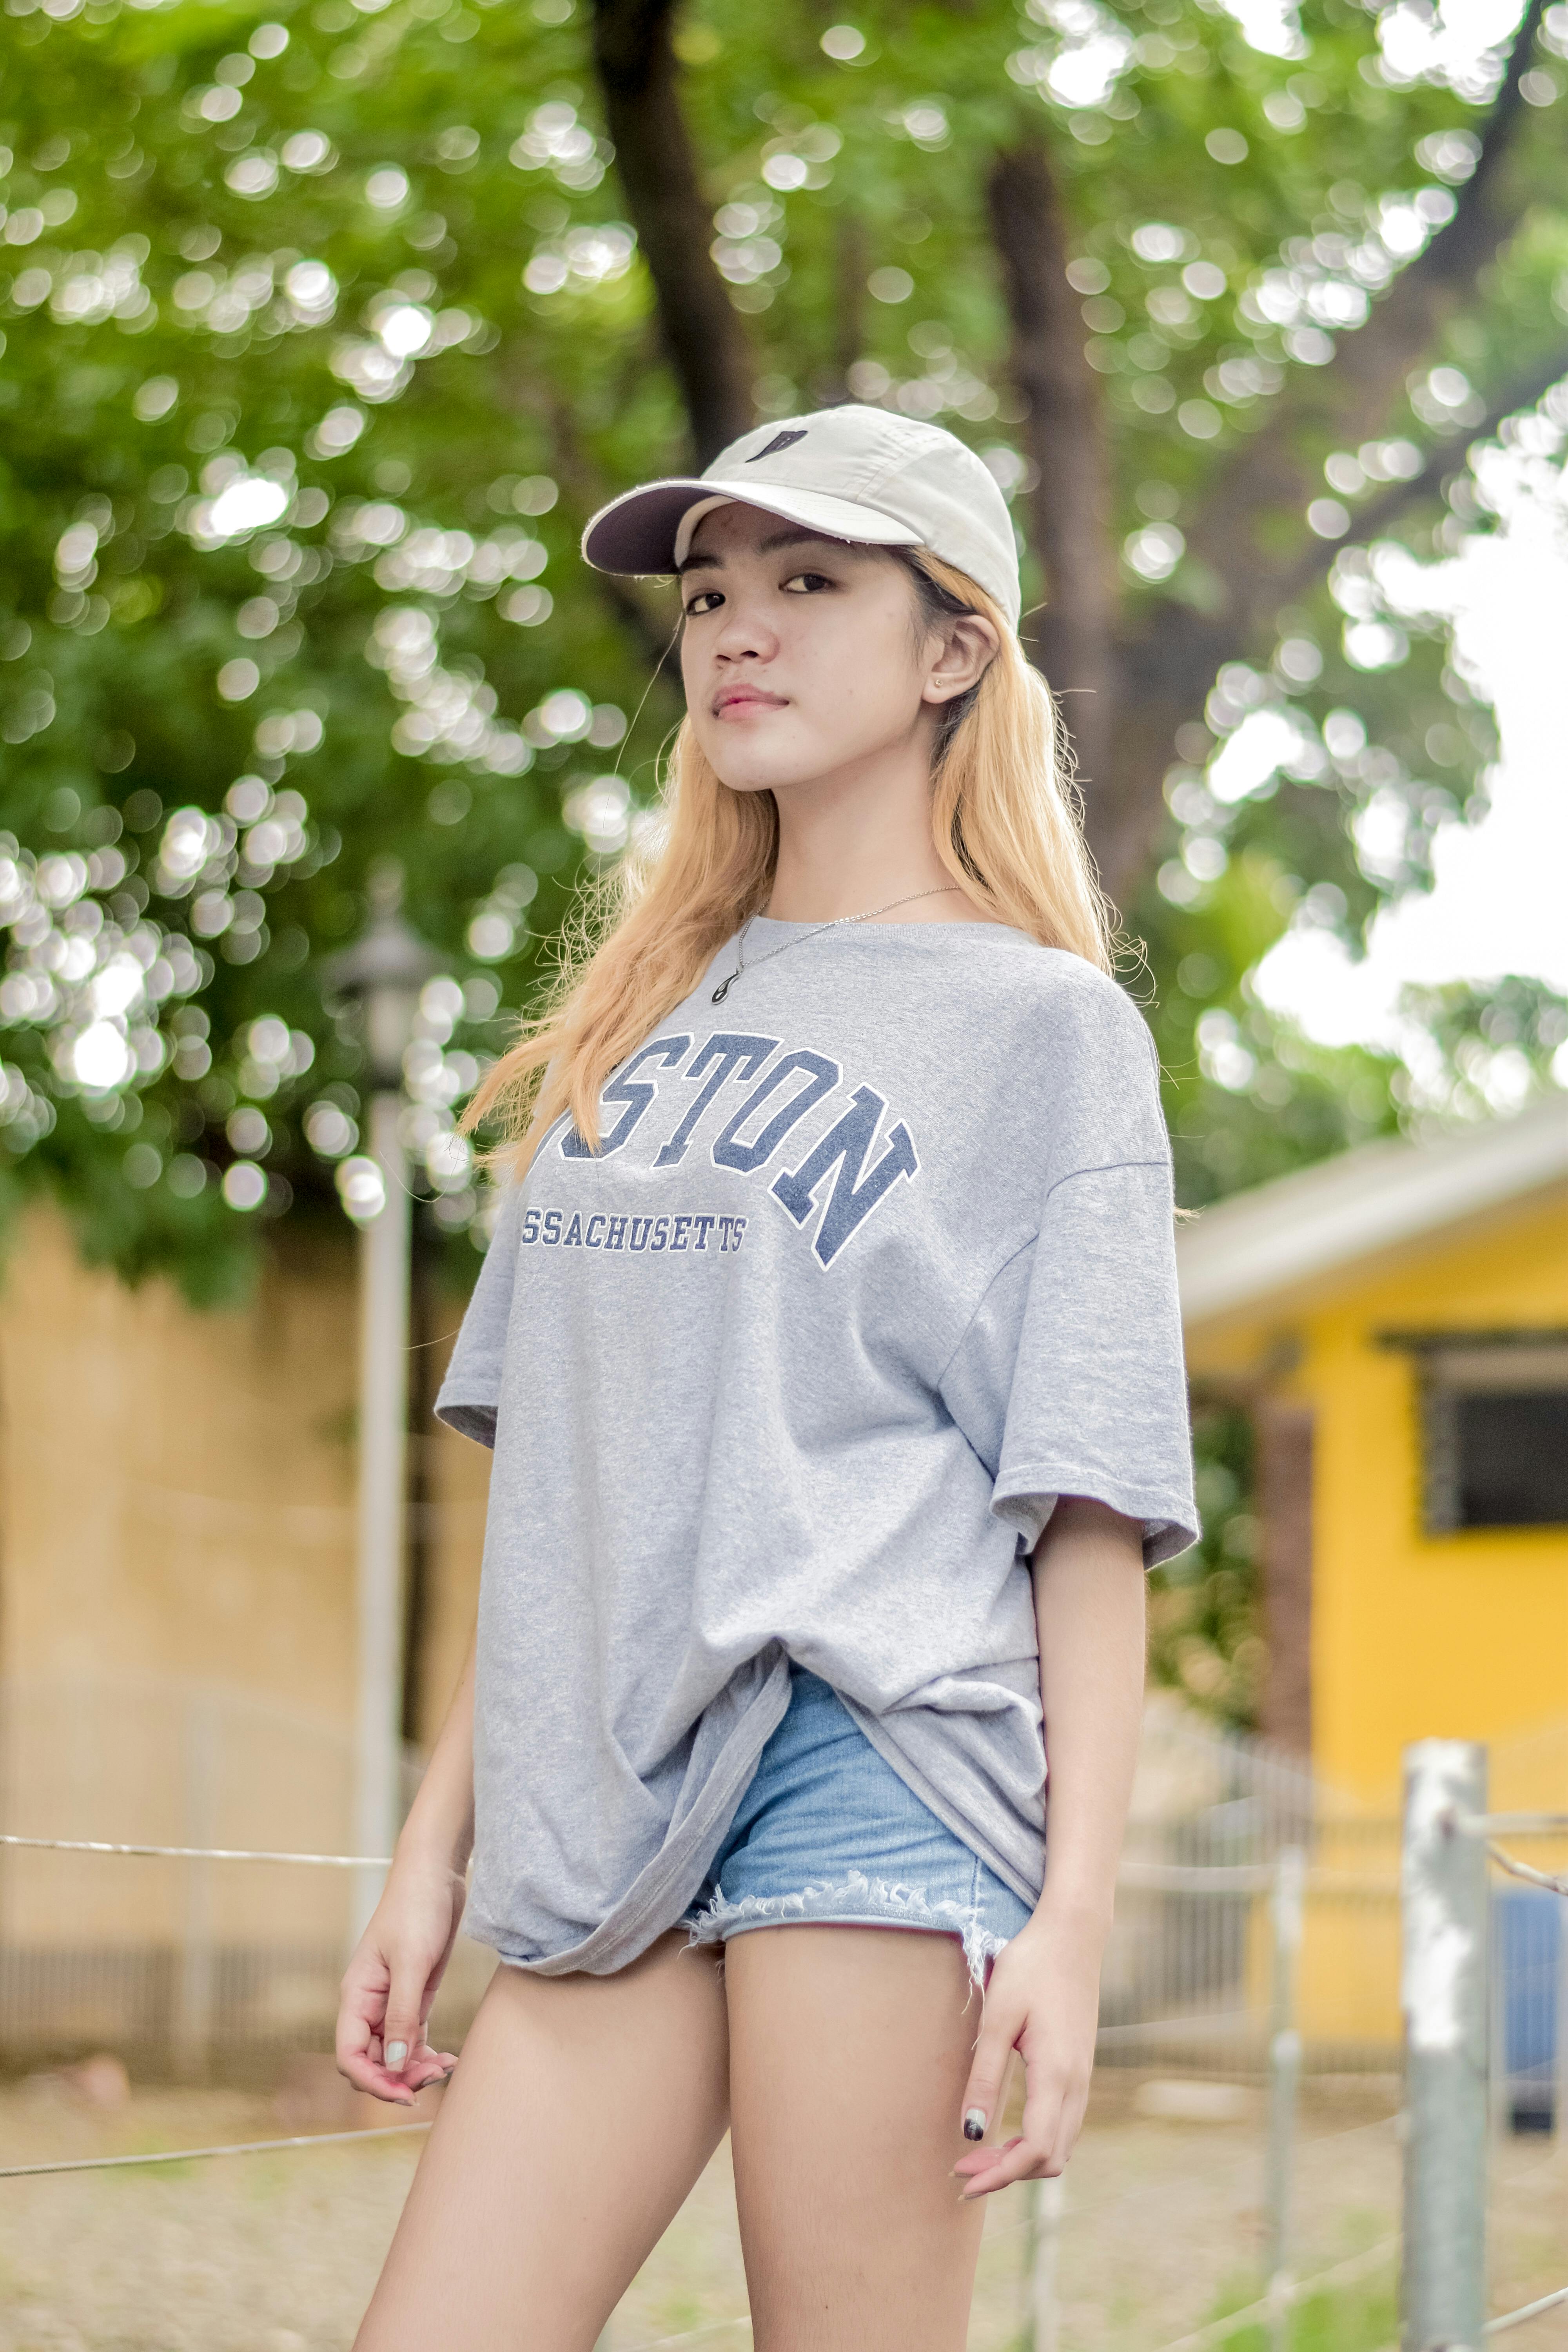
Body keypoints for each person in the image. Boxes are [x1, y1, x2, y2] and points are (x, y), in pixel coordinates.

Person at [337, 404, 1198, 2351]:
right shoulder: (630, 1027)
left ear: (952, 650)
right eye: (714, 592)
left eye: (809, 583)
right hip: (604, 1789)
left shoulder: (1045, 1030)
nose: (738, 628)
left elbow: (1086, 1505)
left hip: (867, 1769)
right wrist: (428, 1857)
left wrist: (1069, 1921)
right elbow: (570, 1489)